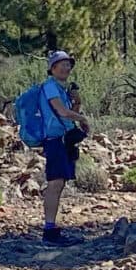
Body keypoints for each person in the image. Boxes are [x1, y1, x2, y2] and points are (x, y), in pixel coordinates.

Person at [35, 51, 90, 246]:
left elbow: (68, 114)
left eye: (68, 65)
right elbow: (61, 112)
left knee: (59, 183)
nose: (66, 68)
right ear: (52, 68)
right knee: (55, 183)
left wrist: (77, 102)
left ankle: (52, 228)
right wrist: (82, 119)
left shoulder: (61, 88)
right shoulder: (50, 87)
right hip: (55, 140)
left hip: (63, 140)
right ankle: (49, 231)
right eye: (62, 64)